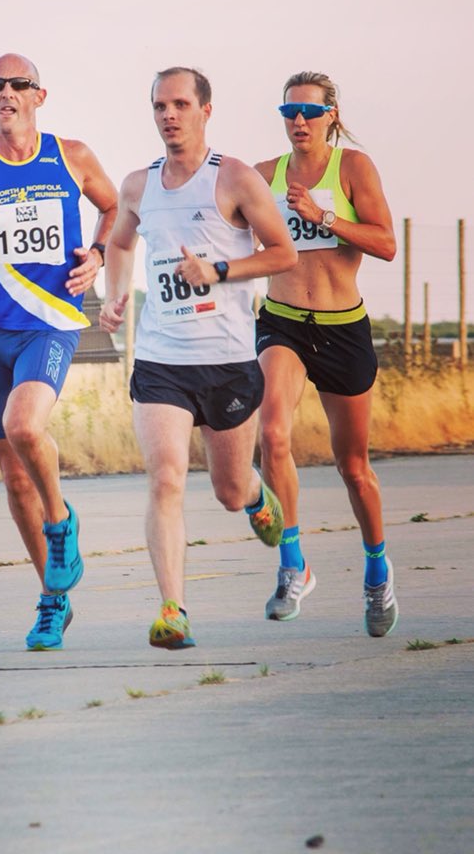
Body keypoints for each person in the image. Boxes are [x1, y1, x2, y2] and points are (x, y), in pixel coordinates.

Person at [98, 66, 297, 649]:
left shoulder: (233, 178)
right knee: (165, 478)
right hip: (161, 360)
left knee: (229, 490)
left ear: (205, 110)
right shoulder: (139, 185)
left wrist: (219, 270)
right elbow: (118, 241)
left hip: (228, 362)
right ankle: (173, 610)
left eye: (181, 104)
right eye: (160, 105)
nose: (169, 115)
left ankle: (259, 498)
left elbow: (283, 253)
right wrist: (113, 297)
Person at [0, 53, 118, 651]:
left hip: (51, 322)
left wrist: (100, 254)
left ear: (40, 95)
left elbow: (115, 207)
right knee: (13, 479)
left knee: (25, 427)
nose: (7, 92)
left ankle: (61, 522)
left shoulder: (72, 156)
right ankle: (53, 600)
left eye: (19, 84)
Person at [254, 71, 398, 637]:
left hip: (343, 328)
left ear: (331, 116)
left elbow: (386, 243)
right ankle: (293, 566)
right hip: (284, 322)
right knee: (271, 435)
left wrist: (324, 217)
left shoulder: (353, 169)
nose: (299, 121)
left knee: (354, 468)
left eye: (310, 112)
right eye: (289, 111)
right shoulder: (264, 176)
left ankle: (377, 571)